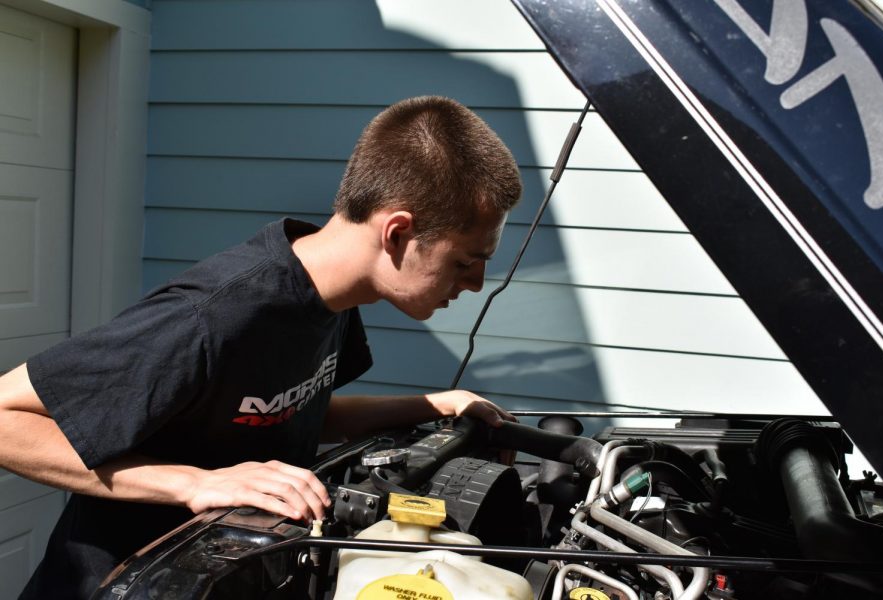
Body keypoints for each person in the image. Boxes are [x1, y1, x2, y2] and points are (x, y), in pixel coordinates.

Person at [0, 95, 523, 598]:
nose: (476, 283)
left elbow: (285, 412)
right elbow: (4, 416)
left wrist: (433, 404)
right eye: (465, 261)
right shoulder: (213, 314)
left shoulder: (330, 302)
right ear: (397, 233)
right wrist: (192, 483)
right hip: (122, 584)